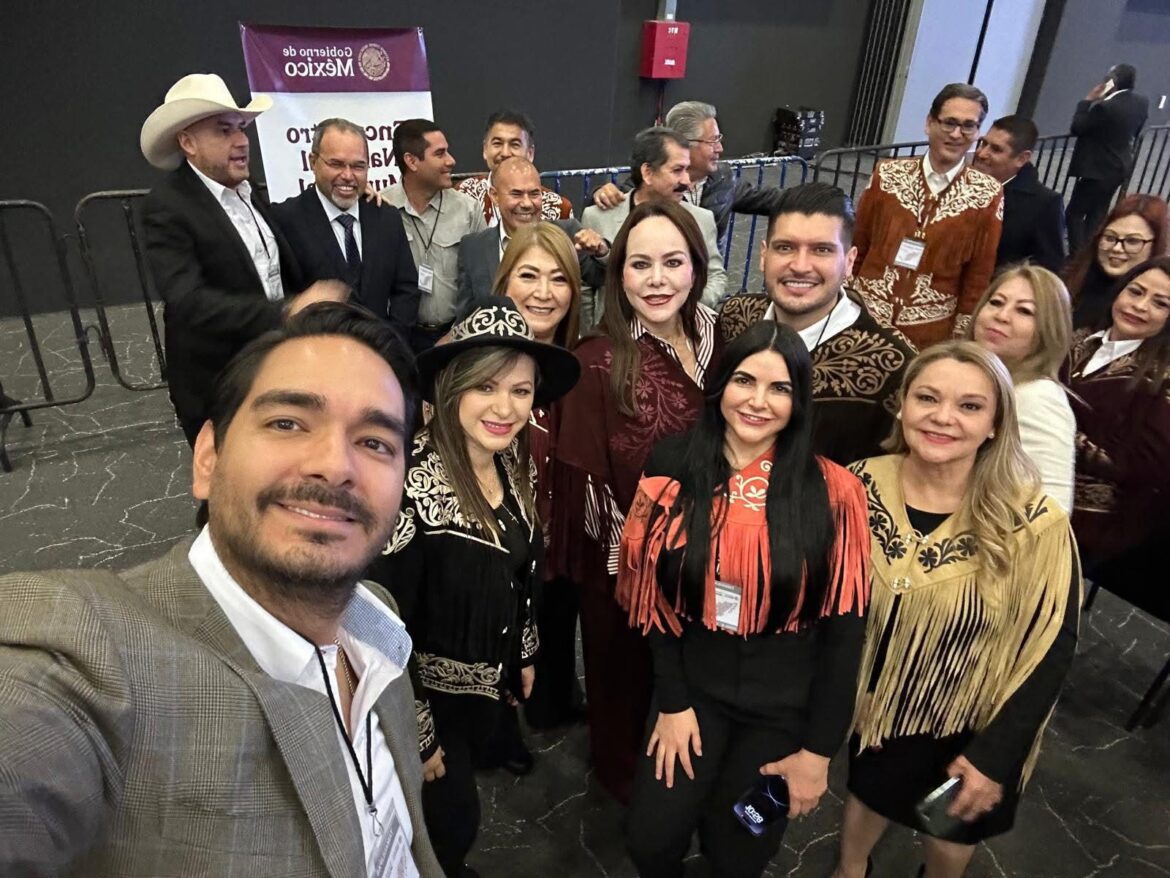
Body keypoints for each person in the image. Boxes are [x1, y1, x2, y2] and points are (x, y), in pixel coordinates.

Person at [0, 301, 443, 876]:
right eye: (287, 423)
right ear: (206, 458)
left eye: (375, 442)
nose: (335, 465)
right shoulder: (88, 656)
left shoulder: (377, 622)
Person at [618, 320, 871, 878]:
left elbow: (845, 634)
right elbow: (650, 597)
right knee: (650, 840)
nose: (758, 401)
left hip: (784, 706)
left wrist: (818, 753)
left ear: (800, 400)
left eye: (779, 388)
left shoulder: (835, 493)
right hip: (694, 686)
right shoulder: (672, 463)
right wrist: (673, 700)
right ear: (720, 386)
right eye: (743, 381)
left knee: (741, 853)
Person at [832, 342, 1080, 878]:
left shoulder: (1033, 522)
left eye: (970, 406)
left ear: (995, 423)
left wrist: (996, 756)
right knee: (868, 798)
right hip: (878, 712)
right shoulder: (859, 484)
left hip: (973, 721)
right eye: (927, 397)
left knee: (949, 836)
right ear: (902, 406)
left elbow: (1051, 648)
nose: (943, 417)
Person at [367, 298, 580, 878]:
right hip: (429, 710)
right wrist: (419, 733)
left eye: (521, 391)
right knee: (444, 828)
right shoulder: (405, 491)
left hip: (484, 693)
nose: (505, 408)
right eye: (485, 387)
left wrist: (525, 649)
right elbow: (380, 629)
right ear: (451, 389)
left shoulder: (510, 461)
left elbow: (520, 565)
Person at [551, 199, 724, 803]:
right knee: (623, 683)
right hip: (628, 568)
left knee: (695, 686)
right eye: (640, 264)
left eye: (672, 262)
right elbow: (589, 486)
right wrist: (640, 563)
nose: (657, 280)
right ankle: (624, 783)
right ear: (619, 273)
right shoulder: (595, 361)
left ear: (696, 269)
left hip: (715, 558)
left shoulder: (721, 343)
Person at [139, 72, 347, 445]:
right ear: (188, 142)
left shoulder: (251, 194)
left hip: (276, 369)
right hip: (219, 383)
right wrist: (287, 310)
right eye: (223, 130)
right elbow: (188, 302)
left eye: (241, 128)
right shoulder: (168, 207)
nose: (241, 141)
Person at [719, 182, 914, 465]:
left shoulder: (893, 364)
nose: (800, 265)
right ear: (764, 255)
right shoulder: (735, 319)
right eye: (785, 247)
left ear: (849, 261)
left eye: (821, 250)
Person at [491, 222, 588, 730]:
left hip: (564, 539)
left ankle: (553, 700)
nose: (544, 293)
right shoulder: (474, 362)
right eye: (529, 276)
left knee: (556, 623)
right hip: (498, 544)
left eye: (559, 279)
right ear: (505, 282)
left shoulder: (585, 363)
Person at [852, 83, 1004, 349]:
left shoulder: (987, 194)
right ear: (929, 123)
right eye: (949, 123)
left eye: (968, 126)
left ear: (977, 131)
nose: (957, 134)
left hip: (929, 334)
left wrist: (960, 342)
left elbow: (978, 275)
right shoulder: (887, 175)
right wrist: (844, 303)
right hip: (865, 319)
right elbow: (857, 245)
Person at [1062, 256, 1170, 588]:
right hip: (1018, 479)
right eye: (1134, 291)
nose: (1139, 306)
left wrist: (1056, 430)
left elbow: (1144, 464)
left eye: (1160, 303)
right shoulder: (1078, 338)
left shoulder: (1162, 380)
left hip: (1086, 517)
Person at [271, 117, 420, 340]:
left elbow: (406, 289)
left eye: (358, 166)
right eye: (336, 164)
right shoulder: (285, 220)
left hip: (383, 355)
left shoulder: (386, 218)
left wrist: (390, 342)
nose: (348, 176)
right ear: (313, 162)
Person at [581, 127, 727, 321]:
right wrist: (591, 334)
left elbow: (716, 278)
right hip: (613, 339)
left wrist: (685, 309)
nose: (687, 180)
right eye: (677, 170)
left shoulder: (701, 219)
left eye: (687, 169)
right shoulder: (597, 216)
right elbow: (585, 286)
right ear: (647, 173)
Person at [591, 100, 785, 245]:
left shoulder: (723, 178)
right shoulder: (646, 185)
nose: (720, 149)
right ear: (684, 143)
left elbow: (770, 199)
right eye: (713, 141)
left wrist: (812, 199)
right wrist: (599, 193)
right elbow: (612, 204)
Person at [966, 265, 1076, 511]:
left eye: (1025, 311)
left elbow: (1050, 512)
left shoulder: (1039, 397)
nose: (1002, 316)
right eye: (995, 302)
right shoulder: (968, 379)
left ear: (1048, 329)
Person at [384, 119, 486, 352]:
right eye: (440, 154)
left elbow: (482, 282)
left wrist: (461, 332)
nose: (451, 161)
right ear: (411, 161)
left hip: (457, 337)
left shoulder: (468, 210)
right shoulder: (381, 209)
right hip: (400, 340)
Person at [457, 156, 607, 309]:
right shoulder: (473, 247)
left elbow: (603, 277)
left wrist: (602, 252)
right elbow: (465, 314)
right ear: (495, 196)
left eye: (534, 194)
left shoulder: (567, 233)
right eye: (516, 194)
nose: (527, 203)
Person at [1066, 64, 1150, 256]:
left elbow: (1077, 127)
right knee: (1098, 213)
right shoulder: (1140, 102)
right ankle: (1090, 254)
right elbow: (1137, 130)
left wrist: (1087, 101)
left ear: (1114, 81)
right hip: (1119, 166)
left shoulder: (1104, 108)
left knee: (1075, 213)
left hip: (1097, 169)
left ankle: (1077, 256)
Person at [973, 115, 1066, 273]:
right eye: (983, 143)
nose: (981, 153)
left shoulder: (1045, 204)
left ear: (1022, 158)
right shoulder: (960, 183)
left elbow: (1048, 269)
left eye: (995, 149)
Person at [1064, 193, 1168, 329]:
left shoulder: (1147, 311)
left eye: (1132, 241)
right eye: (1110, 238)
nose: (1117, 248)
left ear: (1155, 245)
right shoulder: (1068, 280)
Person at [455, 108, 574, 226]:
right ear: (485, 149)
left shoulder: (559, 209)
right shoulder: (463, 194)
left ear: (530, 153)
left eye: (514, 145)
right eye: (497, 143)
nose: (505, 153)